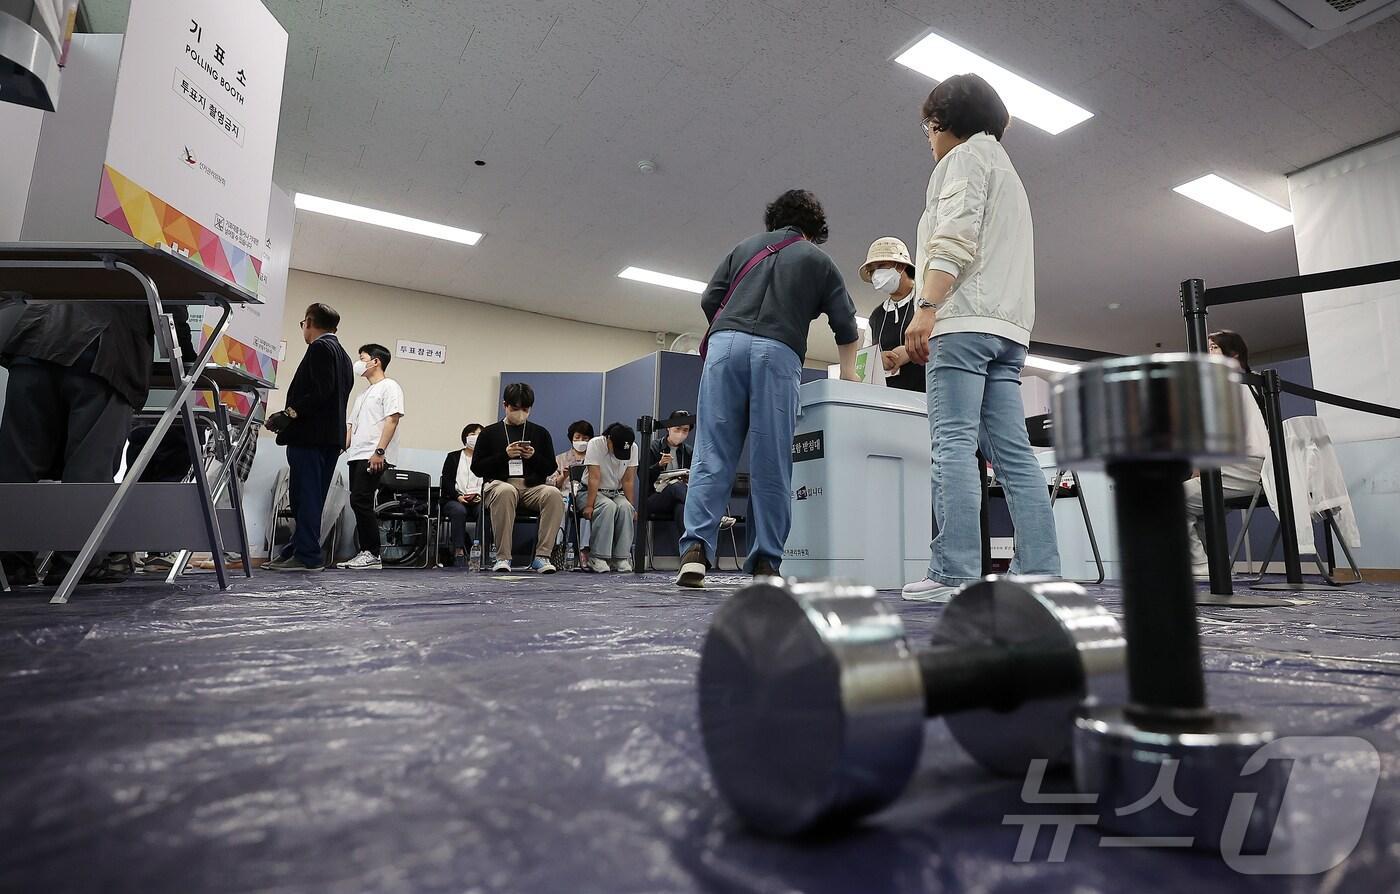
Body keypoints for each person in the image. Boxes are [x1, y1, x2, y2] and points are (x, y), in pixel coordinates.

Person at [902, 74, 1060, 602]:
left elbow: (955, 234)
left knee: (951, 445)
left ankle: (954, 572)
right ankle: (1040, 568)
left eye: (928, 125)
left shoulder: (963, 159)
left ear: (945, 121)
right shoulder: (1009, 173)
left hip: (963, 323)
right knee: (1014, 454)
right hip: (1008, 332)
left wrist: (927, 306)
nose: (927, 137)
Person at [676, 189, 861, 588]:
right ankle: (764, 564)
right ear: (814, 231)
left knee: (712, 453)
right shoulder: (818, 260)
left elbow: (711, 299)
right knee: (772, 461)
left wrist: (732, 328)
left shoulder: (744, 247)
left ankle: (694, 552)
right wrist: (848, 372)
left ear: (774, 221)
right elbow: (846, 323)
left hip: (724, 348)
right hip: (777, 353)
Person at [0, 299, 156, 585]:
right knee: (89, 465)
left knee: (18, 461)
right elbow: (175, 303)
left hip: (34, 340)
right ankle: (76, 564)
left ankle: (10, 564)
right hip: (104, 348)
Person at [266, 303, 355, 572]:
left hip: (310, 436)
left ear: (308, 322)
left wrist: (288, 413)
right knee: (310, 497)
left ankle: (307, 556)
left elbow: (321, 391)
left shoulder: (319, 348)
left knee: (305, 497)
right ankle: (298, 548)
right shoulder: (344, 356)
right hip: (330, 438)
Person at [1186, 330, 1269, 579]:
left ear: (1233, 355)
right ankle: (1213, 566)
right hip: (1249, 467)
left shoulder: (1235, 383)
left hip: (1249, 466)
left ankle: (1200, 565)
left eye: (1213, 348)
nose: (1207, 352)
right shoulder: (1249, 384)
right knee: (1198, 508)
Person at [471, 383, 563, 573]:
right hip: (498, 485)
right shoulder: (489, 433)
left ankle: (542, 556)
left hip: (530, 487)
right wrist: (505, 455)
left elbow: (550, 468)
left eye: (525, 409)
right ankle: (503, 557)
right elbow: (477, 468)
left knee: (553, 494)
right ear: (505, 405)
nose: (520, 413)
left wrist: (534, 456)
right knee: (506, 491)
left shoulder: (540, 433)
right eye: (515, 408)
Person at [336, 343, 406, 571]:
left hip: (373, 454)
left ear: (375, 361)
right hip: (356, 454)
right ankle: (367, 552)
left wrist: (380, 452)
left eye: (362, 357)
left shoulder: (390, 386)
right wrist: (338, 449)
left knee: (361, 501)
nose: (358, 362)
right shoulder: (362, 394)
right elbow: (350, 427)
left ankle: (372, 553)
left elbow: (392, 420)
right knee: (357, 502)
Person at [859, 237, 925, 392]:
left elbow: (944, 339)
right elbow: (863, 361)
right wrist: (877, 361)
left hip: (925, 395)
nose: (876, 274)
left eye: (881, 266)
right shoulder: (875, 317)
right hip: (887, 399)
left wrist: (909, 352)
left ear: (901, 266)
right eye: (872, 270)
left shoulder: (926, 301)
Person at [581, 422, 639, 573]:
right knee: (608, 506)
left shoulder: (633, 448)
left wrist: (632, 507)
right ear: (609, 439)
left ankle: (621, 558)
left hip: (616, 492)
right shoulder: (595, 444)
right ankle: (597, 557)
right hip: (590, 491)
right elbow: (594, 478)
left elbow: (628, 480)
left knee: (626, 508)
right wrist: (589, 505)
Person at [440, 423, 484, 566]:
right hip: (455, 499)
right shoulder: (453, 457)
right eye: (472, 434)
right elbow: (446, 481)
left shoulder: (485, 459)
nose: (475, 438)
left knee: (484, 511)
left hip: (478, 500)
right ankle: (458, 551)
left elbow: (489, 481)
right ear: (465, 437)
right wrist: (458, 497)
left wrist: (479, 496)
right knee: (458, 510)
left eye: (479, 435)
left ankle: (480, 551)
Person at [553, 420, 595, 565]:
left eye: (585, 438)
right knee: (560, 506)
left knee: (588, 509)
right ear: (571, 438)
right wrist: (564, 476)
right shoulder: (560, 459)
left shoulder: (594, 460)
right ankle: (558, 547)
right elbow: (553, 485)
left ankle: (584, 550)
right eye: (577, 437)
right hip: (565, 494)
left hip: (585, 494)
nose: (581, 441)